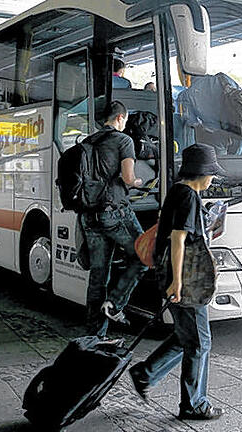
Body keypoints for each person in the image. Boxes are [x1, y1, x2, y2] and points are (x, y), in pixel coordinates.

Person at [129, 144, 225, 421]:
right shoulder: (188, 197)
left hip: (177, 277)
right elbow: (178, 239)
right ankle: (194, 404)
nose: (212, 180)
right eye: (211, 174)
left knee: (186, 336)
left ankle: (146, 374)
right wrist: (177, 282)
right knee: (199, 343)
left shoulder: (177, 191)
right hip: (187, 281)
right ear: (201, 173)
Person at [80, 100, 147, 337]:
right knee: (144, 255)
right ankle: (115, 304)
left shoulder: (88, 142)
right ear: (120, 118)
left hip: (89, 216)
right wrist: (139, 182)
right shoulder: (123, 140)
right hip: (115, 213)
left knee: (98, 275)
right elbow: (128, 178)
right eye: (125, 120)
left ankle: (95, 335)